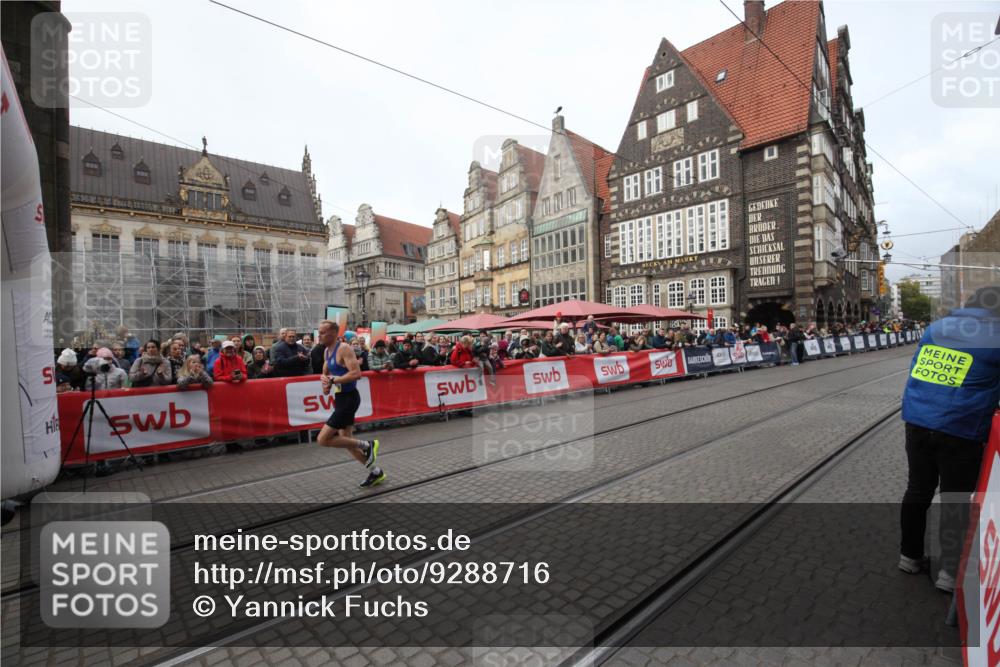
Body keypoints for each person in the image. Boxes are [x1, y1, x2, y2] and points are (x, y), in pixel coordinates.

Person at [898, 286, 1000, 592]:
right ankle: (949, 574)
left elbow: (918, 367)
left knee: (917, 489)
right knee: (956, 498)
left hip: (917, 420)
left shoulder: (936, 328)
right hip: (960, 427)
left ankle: (909, 556)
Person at [315, 319, 384, 488]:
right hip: (340, 399)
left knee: (323, 439)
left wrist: (333, 380)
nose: (319, 335)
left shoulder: (344, 348)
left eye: (323, 332)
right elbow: (327, 379)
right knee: (346, 441)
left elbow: (356, 373)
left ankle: (368, 445)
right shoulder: (326, 352)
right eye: (319, 331)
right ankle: (376, 472)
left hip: (350, 398)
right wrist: (326, 383)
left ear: (333, 333)